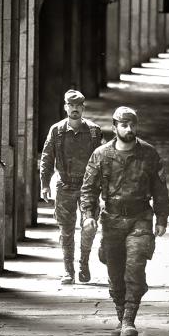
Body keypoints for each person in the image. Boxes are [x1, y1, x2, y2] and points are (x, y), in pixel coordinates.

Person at [80, 105, 169, 336]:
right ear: (115, 127)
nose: (129, 129)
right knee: (115, 273)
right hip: (111, 220)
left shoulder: (149, 154)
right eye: (124, 125)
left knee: (135, 267)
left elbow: (160, 190)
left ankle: (129, 320)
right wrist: (88, 215)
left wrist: (162, 218)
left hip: (140, 218)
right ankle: (122, 317)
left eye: (132, 125)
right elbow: (88, 189)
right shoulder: (101, 155)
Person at [39, 89, 103, 284]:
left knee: (89, 227)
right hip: (65, 186)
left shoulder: (93, 131)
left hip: (87, 188)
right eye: (71, 105)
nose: (75, 109)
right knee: (66, 230)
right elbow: (47, 158)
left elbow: (102, 162)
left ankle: (84, 263)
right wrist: (44, 184)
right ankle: (69, 270)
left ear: (83, 108)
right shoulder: (57, 131)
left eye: (78, 106)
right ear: (66, 107)